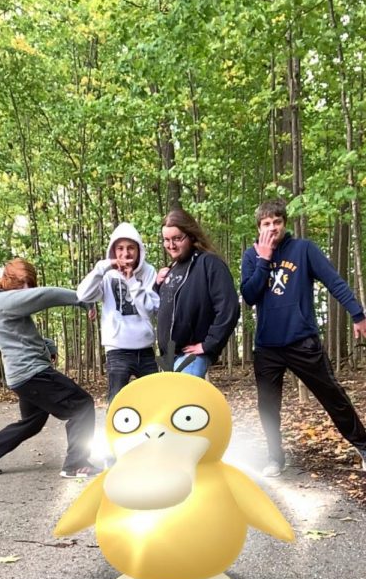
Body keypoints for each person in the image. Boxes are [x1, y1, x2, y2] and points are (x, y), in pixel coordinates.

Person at [241, 197, 366, 476]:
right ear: (258, 227)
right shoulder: (251, 256)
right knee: (268, 407)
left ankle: (363, 444)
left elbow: (334, 281)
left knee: (332, 394)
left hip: (302, 341)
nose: (272, 228)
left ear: (285, 223)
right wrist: (263, 259)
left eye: (277, 222)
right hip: (267, 346)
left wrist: (357, 314)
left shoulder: (304, 249)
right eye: (266, 224)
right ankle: (276, 457)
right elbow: (249, 295)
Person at [0, 258, 96, 478]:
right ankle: (77, 464)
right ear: (9, 281)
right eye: (22, 284)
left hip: (21, 375)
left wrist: (48, 346)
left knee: (32, 422)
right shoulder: (4, 301)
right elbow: (46, 295)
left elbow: (19, 338)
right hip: (32, 374)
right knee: (82, 406)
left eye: (29, 284)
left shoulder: (0, 304)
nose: (26, 290)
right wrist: (82, 299)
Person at [77, 222, 159, 402]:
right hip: (117, 350)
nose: (125, 253)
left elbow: (148, 311)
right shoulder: (106, 274)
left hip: (145, 350)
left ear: (139, 249)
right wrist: (102, 267)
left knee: (154, 399)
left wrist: (131, 281)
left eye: (131, 247)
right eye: (120, 248)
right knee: (116, 401)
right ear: (113, 250)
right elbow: (83, 294)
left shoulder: (148, 272)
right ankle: (112, 431)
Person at [156, 208, 240, 377]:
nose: (171, 245)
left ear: (191, 235)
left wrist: (209, 344)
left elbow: (229, 308)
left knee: (184, 400)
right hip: (170, 357)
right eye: (166, 240)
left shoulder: (209, 264)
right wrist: (157, 285)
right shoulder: (172, 268)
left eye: (177, 239)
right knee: (176, 403)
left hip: (192, 355)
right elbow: (166, 306)